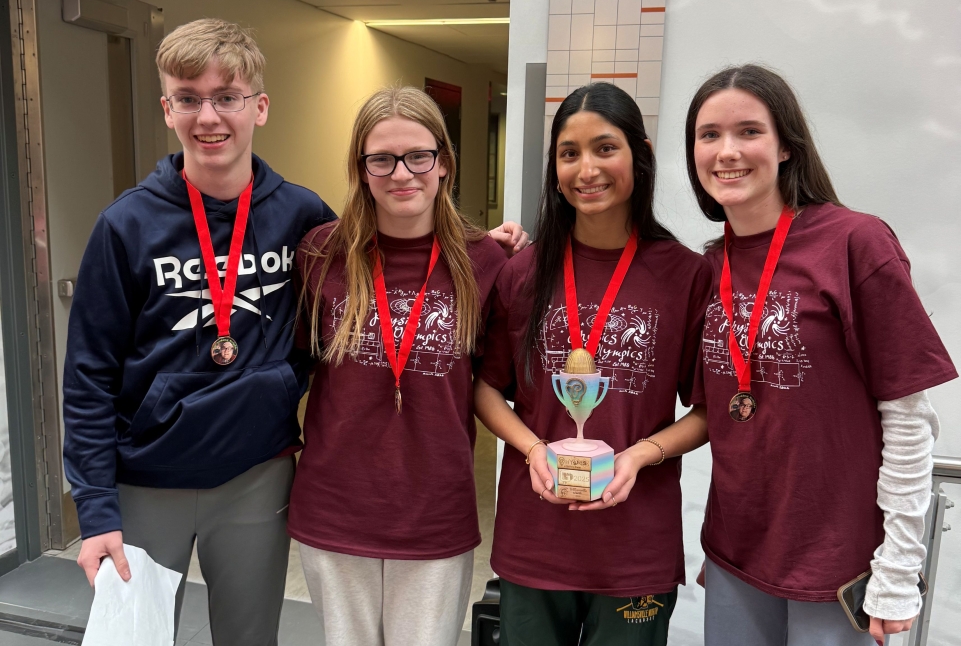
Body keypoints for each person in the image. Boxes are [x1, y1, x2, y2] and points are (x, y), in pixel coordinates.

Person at [61, 19, 337, 644]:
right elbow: (88, 377)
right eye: (188, 98)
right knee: (132, 640)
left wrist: (484, 248)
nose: (208, 117)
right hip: (145, 479)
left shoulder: (302, 214)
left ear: (259, 107)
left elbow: (380, 270)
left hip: (254, 475)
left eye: (227, 97)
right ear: (167, 109)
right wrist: (96, 509)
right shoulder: (125, 225)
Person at [686, 64, 957, 646]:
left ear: (787, 145)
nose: (727, 151)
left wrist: (897, 569)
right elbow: (732, 420)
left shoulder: (855, 242)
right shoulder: (712, 265)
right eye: (709, 135)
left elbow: (909, 417)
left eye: (749, 131)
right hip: (737, 556)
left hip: (837, 563)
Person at [473, 82, 713, 646]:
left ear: (640, 154)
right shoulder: (523, 272)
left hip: (635, 543)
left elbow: (707, 411)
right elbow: (485, 388)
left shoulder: (686, 276)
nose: (587, 169)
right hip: (536, 537)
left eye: (605, 148)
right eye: (569, 153)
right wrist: (533, 448)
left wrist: (639, 455)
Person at [289, 86, 511, 646]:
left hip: (435, 508)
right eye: (382, 159)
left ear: (444, 163)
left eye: (418, 156)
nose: (402, 173)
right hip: (336, 505)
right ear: (361, 169)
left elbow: (495, 382)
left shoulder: (485, 260)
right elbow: (292, 366)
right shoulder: (320, 254)